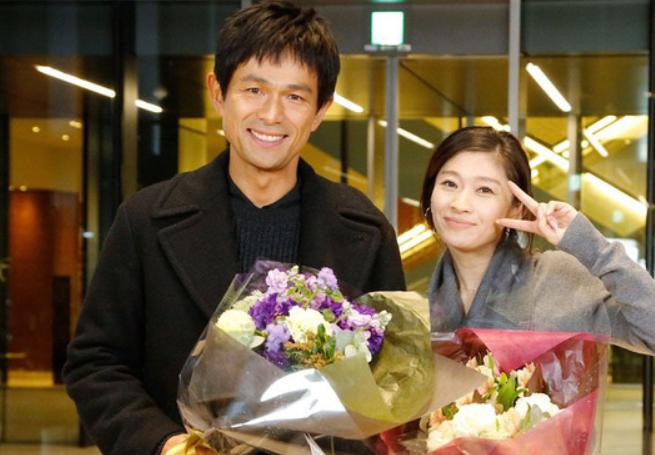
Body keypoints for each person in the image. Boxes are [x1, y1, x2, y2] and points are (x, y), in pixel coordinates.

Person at [62, 2, 406, 455]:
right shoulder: (146, 219)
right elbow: (96, 363)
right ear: (218, 93)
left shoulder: (364, 228)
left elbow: (396, 381)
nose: (271, 114)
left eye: (295, 97)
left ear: (321, 110)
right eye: (254, 89)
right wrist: (165, 444)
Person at [421, 126, 655, 357]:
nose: (459, 204)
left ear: (515, 208)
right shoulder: (417, 303)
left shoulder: (557, 279)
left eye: (484, 189)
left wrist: (592, 248)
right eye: (449, 184)